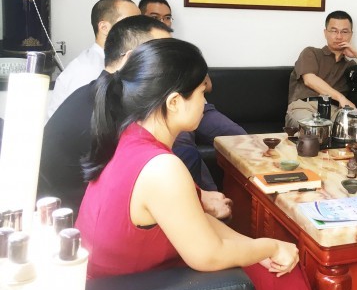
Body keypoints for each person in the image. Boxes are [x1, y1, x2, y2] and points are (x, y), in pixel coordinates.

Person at [75, 38, 333, 290]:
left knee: (269, 264)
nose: (205, 102)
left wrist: (257, 248)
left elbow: (198, 222)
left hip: (125, 280)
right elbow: (207, 255)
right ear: (174, 102)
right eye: (200, 93)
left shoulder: (129, 138)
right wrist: (271, 246)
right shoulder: (161, 168)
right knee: (279, 272)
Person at [38, 15, 231, 219]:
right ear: (132, 60)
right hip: (72, 221)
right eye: (162, 55)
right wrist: (198, 201)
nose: (174, 65)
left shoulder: (104, 93)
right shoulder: (114, 111)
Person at [139, 0, 246, 190]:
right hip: (167, 114)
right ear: (141, 18)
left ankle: (250, 196)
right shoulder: (140, 56)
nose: (163, 22)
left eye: (167, 17)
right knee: (185, 151)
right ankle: (207, 199)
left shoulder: (182, 50)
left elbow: (208, 85)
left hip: (200, 108)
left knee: (242, 139)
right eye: (155, 17)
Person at [286, 10, 357, 130]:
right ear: (325, 33)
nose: (339, 36)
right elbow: (310, 80)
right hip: (306, 106)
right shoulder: (311, 52)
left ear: (351, 35)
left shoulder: (350, 66)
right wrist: (341, 98)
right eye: (334, 31)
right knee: (315, 128)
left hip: (336, 112)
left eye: (344, 32)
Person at [47, 0, 140, 117]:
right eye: (132, 23)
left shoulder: (116, 61)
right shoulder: (87, 71)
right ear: (104, 28)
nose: (141, 30)